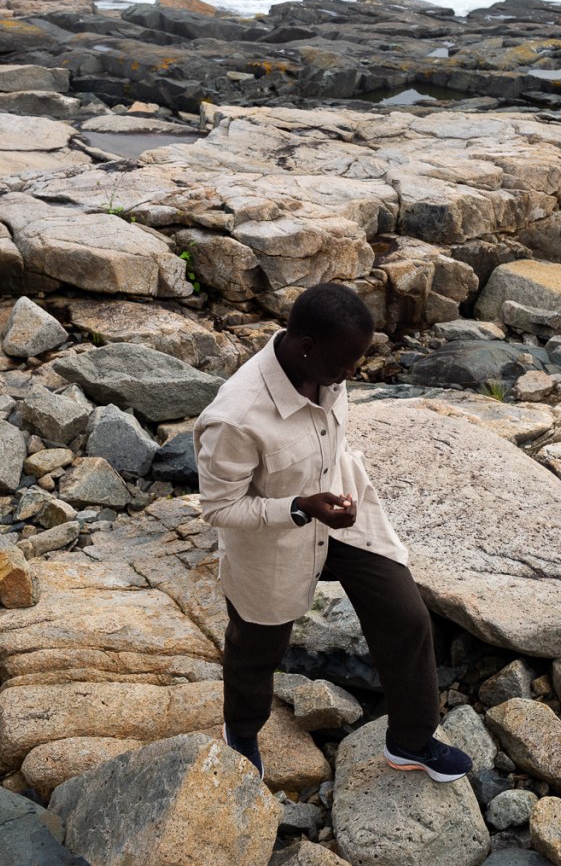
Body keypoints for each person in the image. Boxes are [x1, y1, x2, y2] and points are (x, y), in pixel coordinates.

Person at [194, 282, 471, 783]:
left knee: (405, 616)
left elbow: (330, 435)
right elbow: (219, 508)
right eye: (345, 366)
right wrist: (300, 507)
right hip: (274, 540)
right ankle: (241, 734)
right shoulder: (235, 417)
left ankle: (411, 741)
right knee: (256, 649)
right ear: (306, 347)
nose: (351, 376)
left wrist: (327, 502)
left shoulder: (326, 365)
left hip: (342, 509)